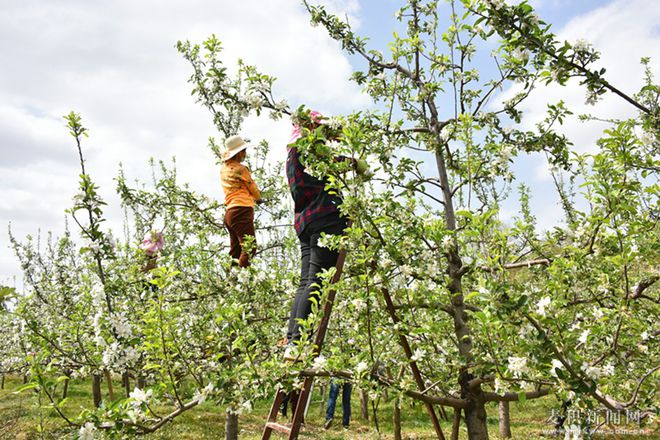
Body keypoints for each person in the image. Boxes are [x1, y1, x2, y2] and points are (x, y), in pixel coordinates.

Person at [283, 109, 368, 359]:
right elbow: (327, 160)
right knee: (318, 281)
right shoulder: (310, 146)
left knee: (306, 282)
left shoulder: (292, 152)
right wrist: (354, 163)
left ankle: (292, 341)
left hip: (304, 223)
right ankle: (298, 344)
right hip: (325, 218)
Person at [220, 135, 261, 268]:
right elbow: (251, 185)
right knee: (249, 247)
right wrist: (258, 198)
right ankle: (242, 282)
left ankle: (230, 281)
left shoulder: (223, 170)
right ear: (238, 153)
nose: (245, 153)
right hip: (241, 209)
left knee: (236, 251)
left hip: (229, 213)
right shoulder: (241, 169)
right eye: (244, 151)